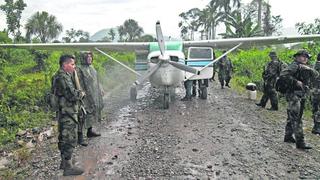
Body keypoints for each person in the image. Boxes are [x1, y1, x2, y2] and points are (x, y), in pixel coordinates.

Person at [52, 54, 84, 176]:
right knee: (69, 138)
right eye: (72, 64)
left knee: (64, 137)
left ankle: (64, 162)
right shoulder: (62, 77)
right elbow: (72, 95)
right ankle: (68, 167)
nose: (74, 67)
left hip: (65, 111)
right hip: (67, 112)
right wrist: (81, 94)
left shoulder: (62, 75)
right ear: (65, 65)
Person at [280, 50, 318, 150]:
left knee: (293, 116)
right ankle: (300, 142)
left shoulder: (304, 67)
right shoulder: (295, 65)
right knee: (296, 118)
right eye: (302, 56)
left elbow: (316, 75)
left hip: (300, 95)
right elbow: (283, 75)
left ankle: (288, 136)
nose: (305, 58)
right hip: (293, 95)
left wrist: (308, 69)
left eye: (306, 57)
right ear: (297, 57)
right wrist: (295, 81)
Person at [77, 51, 103, 141]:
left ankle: (89, 131)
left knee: (92, 112)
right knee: (83, 114)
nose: (89, 58)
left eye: (90, 56)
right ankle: (80, 136)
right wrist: (81, 94)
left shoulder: (92, 67)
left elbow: (97, 80)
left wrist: (100, 89)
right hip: (85, 95)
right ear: (83, 58)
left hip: (94, 93)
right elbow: (78, 83)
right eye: (87, 57)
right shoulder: (79, 69)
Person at [310, 53, 320, 135]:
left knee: (315, 109)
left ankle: (316, 127)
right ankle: (317, 127)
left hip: (314, 91)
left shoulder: (314, 65)